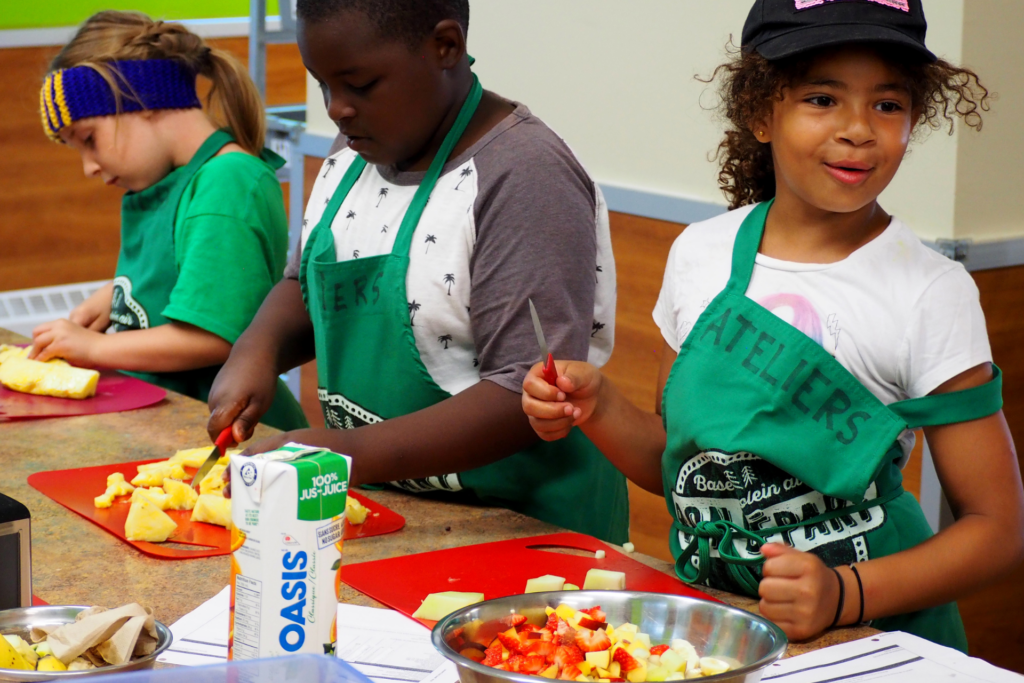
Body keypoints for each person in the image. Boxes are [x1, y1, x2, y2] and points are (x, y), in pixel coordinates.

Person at [522, 0, 1024, 649]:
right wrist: (597, 405)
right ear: (761, 111)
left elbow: (998, 527)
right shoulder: (699, 257)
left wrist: (846, 592)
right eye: (822, 99)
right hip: (720, 632)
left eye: (887, 105)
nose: (858, 130)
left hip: (874, 643)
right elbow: (684, 467)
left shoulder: (931, 291)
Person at [207, 0, 628, 542]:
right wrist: (256, 352)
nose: (337, 109)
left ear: (445, 47)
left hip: (523, 532)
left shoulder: (524, 177)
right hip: (401, 513)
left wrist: (343, 453)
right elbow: (306, 284)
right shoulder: (356, 150)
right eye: (324, 86)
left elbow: (518, 395)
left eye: (359, 84)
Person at [31, 11, 308, 432]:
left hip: (223, 436)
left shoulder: (226, 182)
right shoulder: (175, 181)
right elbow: (193, 274)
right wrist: (121, 294)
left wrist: (93, 348)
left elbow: (213, 336)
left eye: (89, 139)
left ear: (142, 101)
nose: (88, 166)